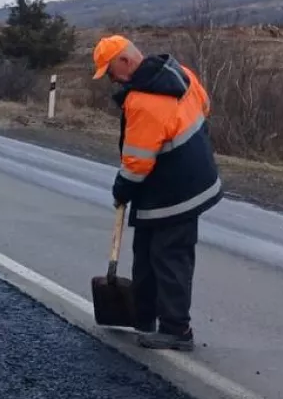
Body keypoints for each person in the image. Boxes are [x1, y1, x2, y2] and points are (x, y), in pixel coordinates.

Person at [93, 35, 222, 352]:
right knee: (147, 250)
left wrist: (121, 190)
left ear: (125, 61)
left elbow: (137, 162)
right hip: (180, 179)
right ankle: (144, 316)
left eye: (110, 72)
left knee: (170, 256)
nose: (111, 80)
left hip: (176, 190)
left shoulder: (143, 100)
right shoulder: (181, 72)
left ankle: (177, 330)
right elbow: (205, 106)